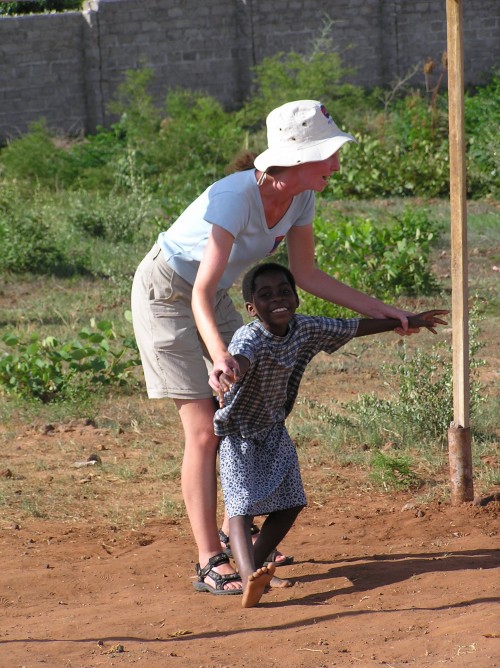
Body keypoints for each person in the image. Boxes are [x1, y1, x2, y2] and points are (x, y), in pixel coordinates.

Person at [131, 99, 422, 596]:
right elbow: (197, 292)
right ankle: (209, 560)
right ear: (293, 157)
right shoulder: (233, 197)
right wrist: (220, 353)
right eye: (328, 154)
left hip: (214, 292)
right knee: (204, 428)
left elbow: (306, 275)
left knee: (246, 408)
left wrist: (382, 310)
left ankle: (235, 530)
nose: (335, 163)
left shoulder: (301, 197)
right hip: (167, 291)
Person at [213, 262, 448, 607]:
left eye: (284, 291)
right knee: (240, 505)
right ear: (251, 308)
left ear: (296, 298)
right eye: (265, 295)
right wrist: (230, 371)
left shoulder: (305, 327)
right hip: (239, 433)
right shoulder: (249, 335)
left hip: (274, 429)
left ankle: (256, 566)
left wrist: (407, 321)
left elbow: (351, 327)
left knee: (292, 502)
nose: (277, 299)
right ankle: (250, 576)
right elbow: (240, 359)